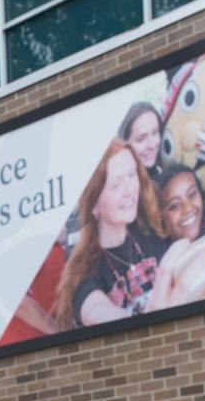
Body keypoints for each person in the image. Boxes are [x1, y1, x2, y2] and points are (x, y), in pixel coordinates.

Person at [54, 139, 169, 329]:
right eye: (116, 185)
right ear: (93, 205)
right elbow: (94, 310)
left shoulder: (149, 227)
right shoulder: (82, 264)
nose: (130, 190)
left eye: (132, 175)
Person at [117, 99, 173, 184]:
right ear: (125, 144)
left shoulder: (161, 174)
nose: (152, 145)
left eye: (155, 132)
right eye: (141, 139)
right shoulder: (128, 191)